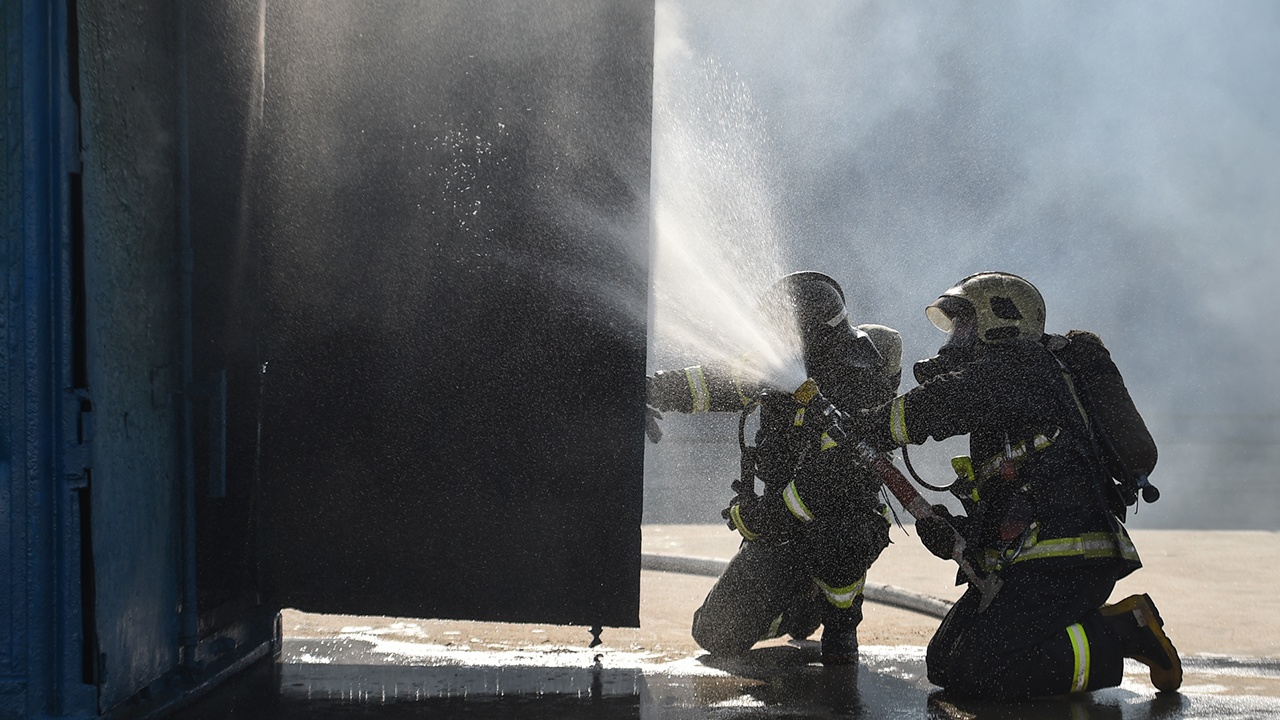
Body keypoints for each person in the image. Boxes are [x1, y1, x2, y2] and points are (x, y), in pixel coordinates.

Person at [845, 271, 1180, 698]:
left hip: (1067, 558)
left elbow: (945, 402)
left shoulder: (1023, 366)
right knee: (945, 661)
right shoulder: (1014, 393)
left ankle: (1123, 632)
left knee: (983, 670)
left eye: (965, 325)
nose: (955, 340)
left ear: (1000, 322)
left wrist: (869, 426)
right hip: (1031, 561)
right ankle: (1089, 629)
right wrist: (955, 533)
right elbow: (1012, 501)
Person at [647, 271, 901, 665]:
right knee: (715, 633)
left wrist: (765, 517)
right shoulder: (781, 369)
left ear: (813, 334)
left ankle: (841, 620)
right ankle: (801, 606)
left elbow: (832, 480)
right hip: (783, 527)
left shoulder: (861, 384)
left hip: (839, 519)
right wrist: (649, 389)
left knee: (840, 538)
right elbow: (711, 384)